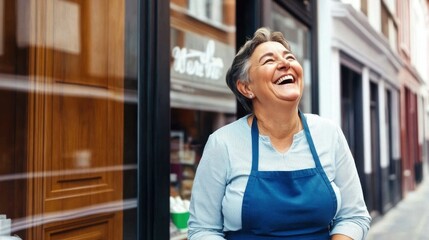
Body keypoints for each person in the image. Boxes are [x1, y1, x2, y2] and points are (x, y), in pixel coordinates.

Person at [187, 27, 371, 240]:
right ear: (246, 88)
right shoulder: (223, 143)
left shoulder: (329, 134)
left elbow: (354, 216)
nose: (285, 64)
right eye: (268, 61)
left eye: (289, 57)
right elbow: (203, 230)